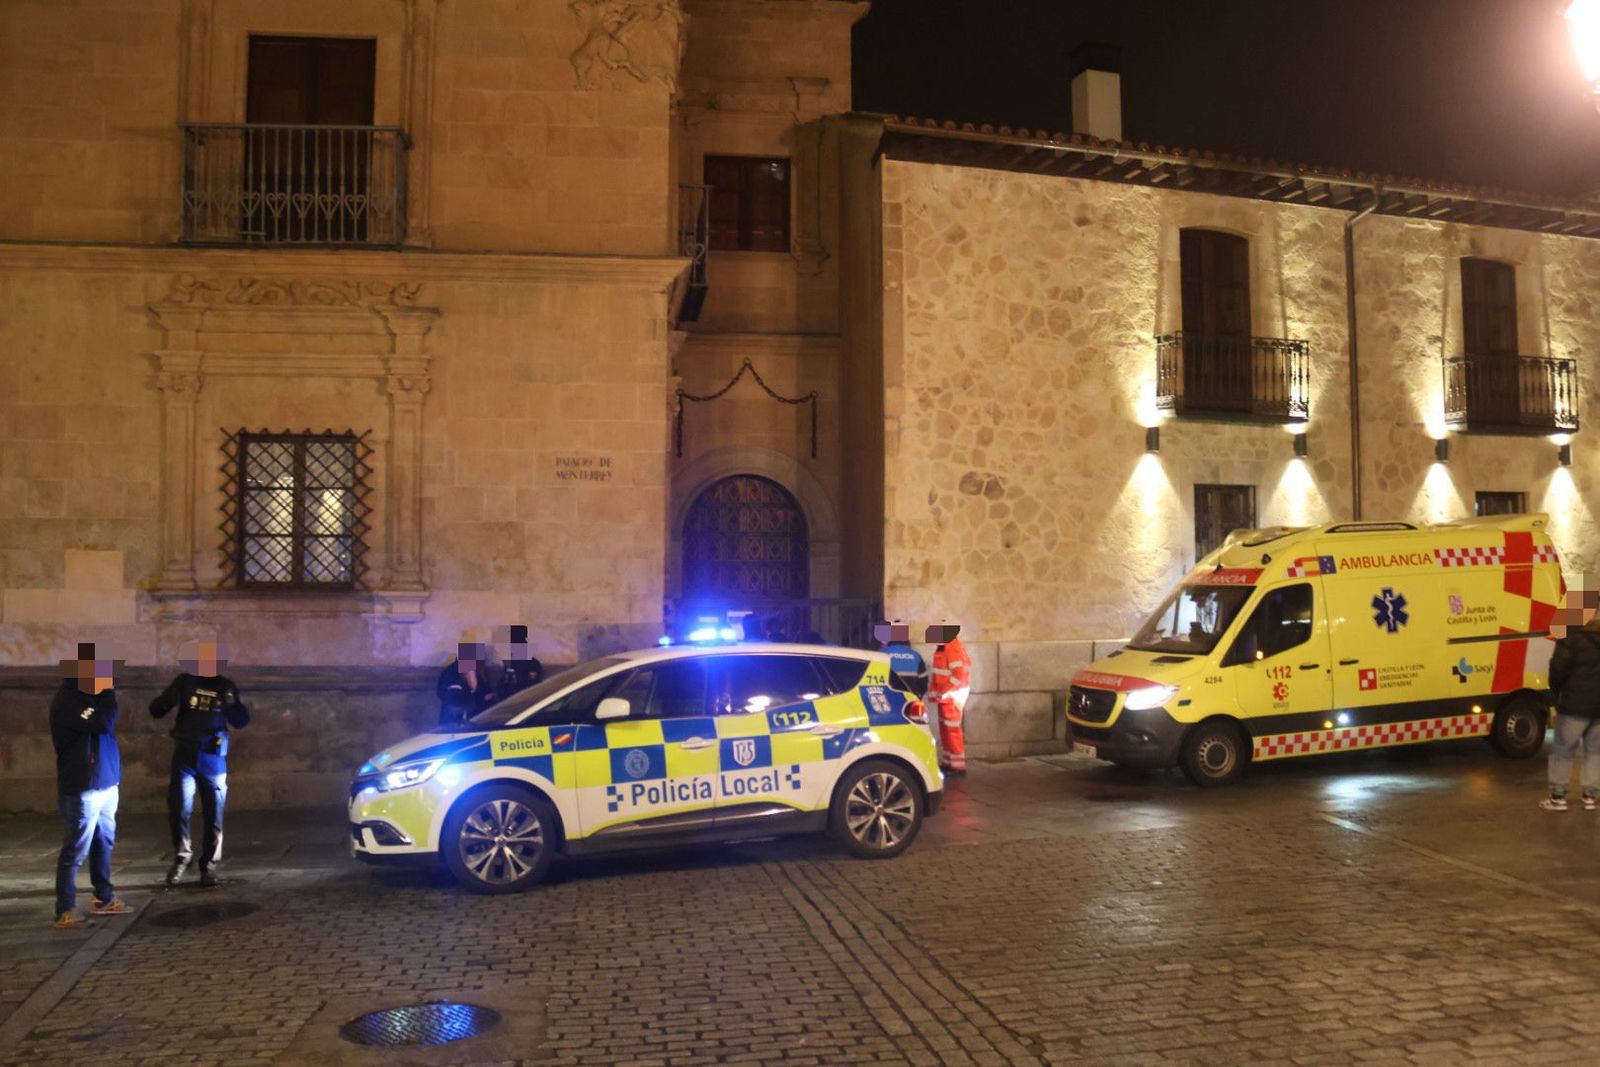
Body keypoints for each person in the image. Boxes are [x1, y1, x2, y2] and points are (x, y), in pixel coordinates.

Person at [150, 640, 250, 887]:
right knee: (179, 809)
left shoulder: (226, 686)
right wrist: (168, 698)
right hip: (185, 755)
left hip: (212, 758)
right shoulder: (185, 682)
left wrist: (232, 705)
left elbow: (240, 720)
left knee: (213, 813)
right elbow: (157, 709)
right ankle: (182, 857)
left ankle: (209, 865)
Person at [51, 643, 126, 927]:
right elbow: (103, 722)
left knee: (103, 842)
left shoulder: (90, 696)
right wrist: (107, 693)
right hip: (83, 785)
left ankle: (104, 897)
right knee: (75, 848)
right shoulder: (68, 701)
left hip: (105, 782)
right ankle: (64, 908)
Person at [1542, 586, 1600, 811]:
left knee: (1563, 750)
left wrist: (1557, 692)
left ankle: (1558, 797)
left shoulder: (1571, 635)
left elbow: (1558, 668)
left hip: (1574, 704)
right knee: (1595, 751)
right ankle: (1590, 797)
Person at [927, 623, 972, 774]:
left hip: (952, 696)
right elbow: (938, 674)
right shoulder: (944, 647)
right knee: (945, 729)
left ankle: (958, 765)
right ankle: (949, 761)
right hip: (946, 696)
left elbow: (958, 675)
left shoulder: (952, 647)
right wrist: (935, 694)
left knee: (952, 730)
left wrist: (943, 691)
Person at [438, 638, 500, 726]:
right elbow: (448, 695)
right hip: (453, 719)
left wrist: (487, 696)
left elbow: (483, 689)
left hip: (474, 717)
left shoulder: (475, 672)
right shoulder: (451, 673)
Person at [496, 624, 544, 701]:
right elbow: (503, 683)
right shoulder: (510, 662)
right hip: (506, 701)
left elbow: (531, 689)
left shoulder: (532, 664)